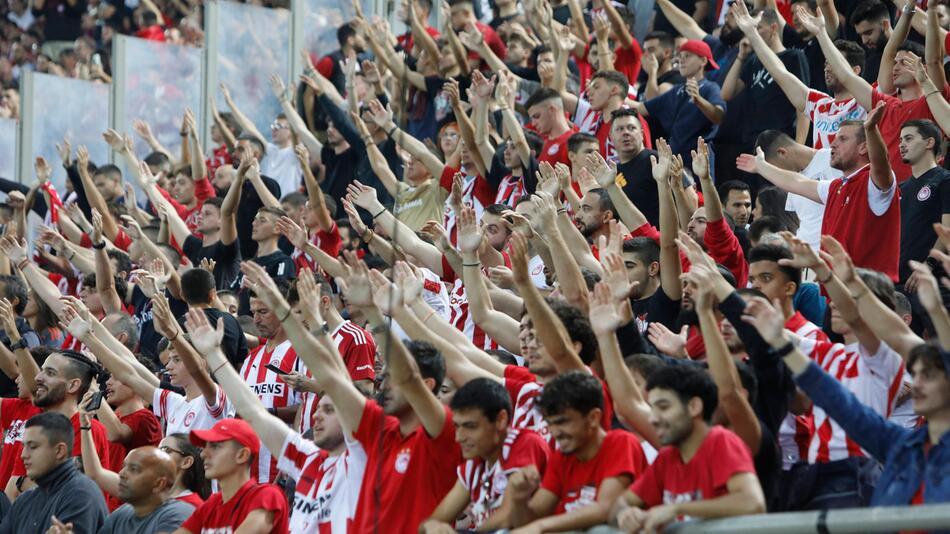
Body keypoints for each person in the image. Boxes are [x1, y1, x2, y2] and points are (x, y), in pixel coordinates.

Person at [182, 307, 366, 533]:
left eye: (328, 410)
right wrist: (213, 355)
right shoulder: (308, 457)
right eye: (319, 408)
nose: (316, 414)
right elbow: (253, 411)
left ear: (353, 415)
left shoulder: (364, 460)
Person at [739, 104, 900, 281]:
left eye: (843, 139)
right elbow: (797, 182)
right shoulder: (835, 187)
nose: (833, 143)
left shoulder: (874, 183)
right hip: (836, 288)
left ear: (863, 147)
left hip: (871, 290)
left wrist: (870, 130)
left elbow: (881, 163)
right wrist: (762, 167)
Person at [611, 366, 765, 533]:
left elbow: (752, 502)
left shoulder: (721, 442)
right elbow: (621, 504)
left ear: (694, 406)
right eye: (652, 408)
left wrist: (677, 509)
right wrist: (626, 514)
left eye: (663, 407)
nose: (653, 419)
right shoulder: (667, 456)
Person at [505, 371, 648, 531]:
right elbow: (529, 522)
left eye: (562, 422)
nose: (555, 432)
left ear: (593, 418)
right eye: (550, 424)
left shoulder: (622, 442)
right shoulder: (562, 456)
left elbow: (605, 509)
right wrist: (519, 499)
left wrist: (541, 526)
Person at [421, 378, 550, 531]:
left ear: (501, 420)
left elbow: (507, 518)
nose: (459, 437)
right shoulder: (475, 463)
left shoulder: (524, 443)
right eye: (457, 426)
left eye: (470, 426)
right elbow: (430, 523)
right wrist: (434, 528)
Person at [175, 418, 289, 534]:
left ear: (242, 455)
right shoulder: (211, 505)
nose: (203, 454)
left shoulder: (268, 496)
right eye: (205, 447)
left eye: (215, 446)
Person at [0, 412, 107, 534]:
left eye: (33, 446)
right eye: (24, 446)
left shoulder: (81, 495)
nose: (23, 455)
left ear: (59, 451)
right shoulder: (24, 500)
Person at [753, 130, 842, 250]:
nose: (775, 177)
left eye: (774, 169)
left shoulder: (833, 160)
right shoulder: (789, 180)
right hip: (806, 260)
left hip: (834, 257)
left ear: (782, 152)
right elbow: (802, 222)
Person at [896, 119, 950, 285]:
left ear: (929, 142)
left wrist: (928, 265)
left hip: (932, 280)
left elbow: (947, 229)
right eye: (900, 140)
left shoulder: (945, 180)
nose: (901, 145)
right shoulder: (900, 188)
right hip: (899, 281)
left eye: (909, 138)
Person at [94, 446, 195, 534]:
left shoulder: (178, 514)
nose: (121, 473)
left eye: (133, 469)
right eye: (124, 466)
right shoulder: (123, 512)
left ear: (159, 484)